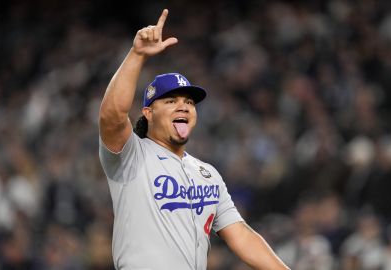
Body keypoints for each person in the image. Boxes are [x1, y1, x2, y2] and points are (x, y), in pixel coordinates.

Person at [98, 9, 290, 270]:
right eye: (171, 101)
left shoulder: (207, 173)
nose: (184, 106)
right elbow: (112, 116)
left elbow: (241, 234)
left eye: (189, 102)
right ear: (148, 113)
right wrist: (137, 55)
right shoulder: (131, 156)